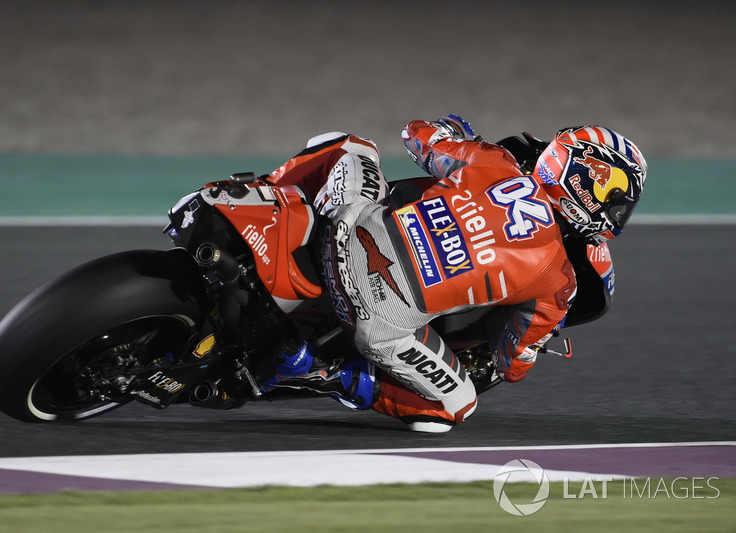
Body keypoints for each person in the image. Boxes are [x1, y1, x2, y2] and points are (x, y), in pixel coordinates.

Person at [262, 115, 647, 433]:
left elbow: (415, 134)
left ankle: (265, 200)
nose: (615, 210)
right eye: (614, 193)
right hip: (376, 323)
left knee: (350, 145)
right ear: (585, 176)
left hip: (343, 231)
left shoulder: (495, 162)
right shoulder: (560, 282)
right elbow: (510, 365)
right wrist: (527, 349)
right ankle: (317, 370)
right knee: (455, 407)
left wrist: (451, 132)